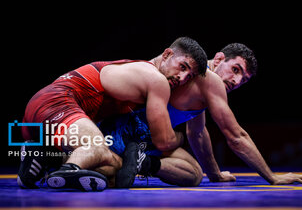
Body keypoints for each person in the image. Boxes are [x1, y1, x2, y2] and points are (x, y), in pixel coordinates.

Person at [100, 43, 302, 188]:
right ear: (219, 58)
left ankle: (139, 162)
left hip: (135, 136)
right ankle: (118, 161)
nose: (237, 82)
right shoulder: (209, 79)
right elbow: (236, 137)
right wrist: (272, 177)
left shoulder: (198, 78)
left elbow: (198, 132)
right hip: (119, 130)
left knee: (193, 174)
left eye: (244, 80)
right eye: (236, 70)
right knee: (189, 173)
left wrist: (214, 174)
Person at [17, 37, 208, 191]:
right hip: (57, 102)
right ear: (167, 54)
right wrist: (182, 136)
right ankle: (67, 170)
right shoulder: (155, 79)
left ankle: (44, 157)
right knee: (96, 146)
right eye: (182, 67)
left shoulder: (137, 72)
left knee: (112, 167)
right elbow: (164, 141)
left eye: (189, 76)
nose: (182, 78)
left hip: (49, 119)